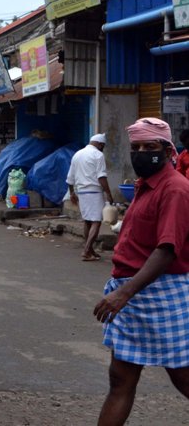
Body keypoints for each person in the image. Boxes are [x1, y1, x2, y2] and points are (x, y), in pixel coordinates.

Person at [93, 117, 189, 425]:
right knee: (120, 380)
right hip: (132, 296)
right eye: (136, 148)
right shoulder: (145, 186)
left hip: (161, 295)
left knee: (183, 377)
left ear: (168, 150)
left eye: (150, 147)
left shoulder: (175, 189)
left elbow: (167, 250)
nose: (142, 153)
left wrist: (122, 294)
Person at [66, 133, 115, 261]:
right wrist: (109, 194)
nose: (103, 148)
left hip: (81, 192)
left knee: (87, 221)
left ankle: (91, 249)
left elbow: (70, 177)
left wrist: (72, 193)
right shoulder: (98, 155)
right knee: (96, 221)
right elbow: (101, 177)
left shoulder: (77, 154)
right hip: (94, 192)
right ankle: (87, 250)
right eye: (103, 146)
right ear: (100, 144)